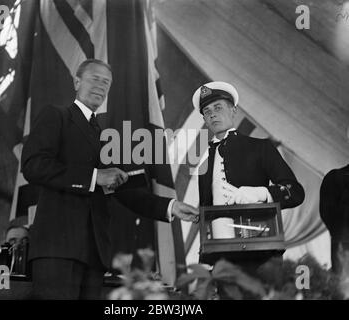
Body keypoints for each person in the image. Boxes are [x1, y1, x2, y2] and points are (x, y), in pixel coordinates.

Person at [21, 59, 199, 299]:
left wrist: (171, 206)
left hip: (94, 254)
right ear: (76, 81)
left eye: (106, 82)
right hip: (58, 248)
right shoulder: (57, 116)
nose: (101, 86)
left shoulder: (101, 135)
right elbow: (33, 166)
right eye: (95, 78)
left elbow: (123, 191)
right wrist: (95, 177)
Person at [193, 81, 305, 274]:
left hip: (260, 254)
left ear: (233, 110)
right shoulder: (204, 163)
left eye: (218, 107)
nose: (211, 114)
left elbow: (295, 192)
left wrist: (260, 193)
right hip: (220, 257)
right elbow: (207, 209)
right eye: (206, 111)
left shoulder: (260, 147)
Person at [320, 163, 349, 274]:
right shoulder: (335, 177)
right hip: (343, 242)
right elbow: (326, 213)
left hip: (341, 240)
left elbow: (326, 213)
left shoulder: (334, 177)